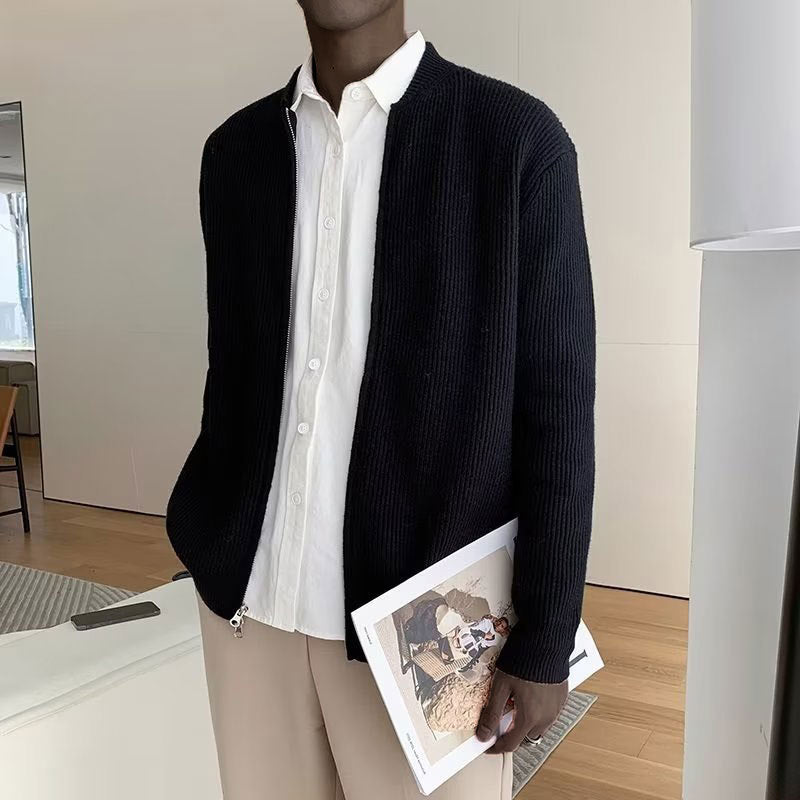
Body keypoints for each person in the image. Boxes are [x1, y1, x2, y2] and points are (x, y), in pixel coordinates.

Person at [165, 0, 596, 797]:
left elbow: (559, 411)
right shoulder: (235, 154)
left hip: (423, 631)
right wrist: (213, 532)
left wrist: (546, 634)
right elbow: (235, 375)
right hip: (250, 610)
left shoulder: (516, 143)